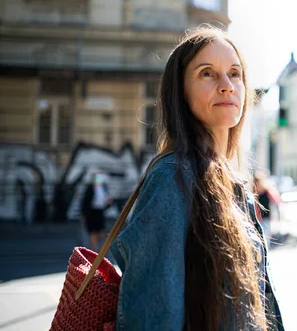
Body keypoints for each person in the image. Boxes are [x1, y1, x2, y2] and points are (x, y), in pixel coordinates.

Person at [109, 26, 284, 330]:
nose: (227, 85)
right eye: (207, 73)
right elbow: (153, 320)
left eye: (235, 73)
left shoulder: (232, 183)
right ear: (181, 91)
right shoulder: (172, 179)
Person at [80, 170, 112, 251]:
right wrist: (83, 214)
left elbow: (107, 200)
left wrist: (108, 203)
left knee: (101, 233)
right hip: (91, 212)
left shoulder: (104, 187)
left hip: (100, 211)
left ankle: (94, 246)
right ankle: (95, 249)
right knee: (92, 232)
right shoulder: (90, 188)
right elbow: (85, 201)